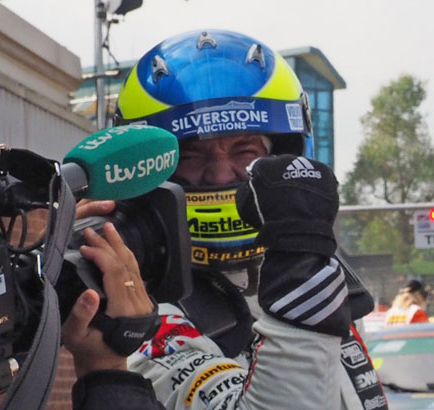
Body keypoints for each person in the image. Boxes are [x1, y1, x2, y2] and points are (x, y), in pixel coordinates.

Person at [62, 29, 388, 410]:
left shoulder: (307, 263)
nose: (220, 174)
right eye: (191, 155)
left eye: (244, 150)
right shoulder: (134, 303)